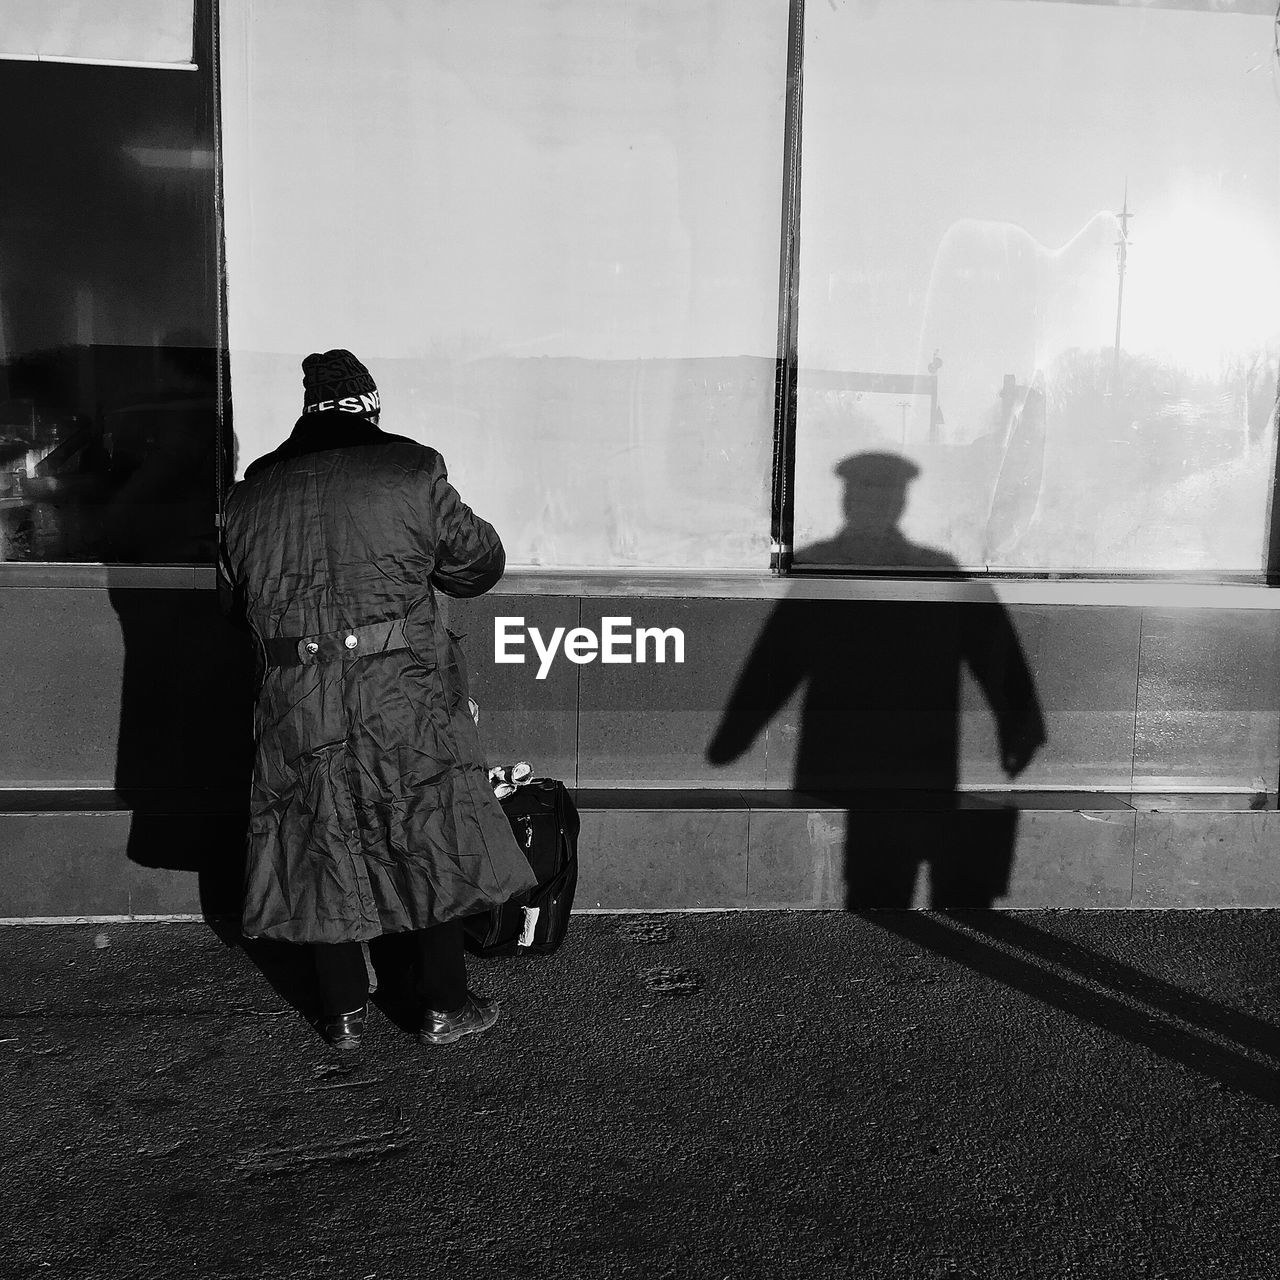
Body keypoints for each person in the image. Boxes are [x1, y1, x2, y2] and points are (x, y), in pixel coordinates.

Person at [219, 349, 536, 1050]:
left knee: (314, 836)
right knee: (428, 827)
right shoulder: (411, 469)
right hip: (399, 690)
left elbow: (233, 605)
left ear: (308, 411)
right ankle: (443, 1004)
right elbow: (477, 565)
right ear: (369, 403)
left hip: (295, 693)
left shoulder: (247, 497)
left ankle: (340, 1012)